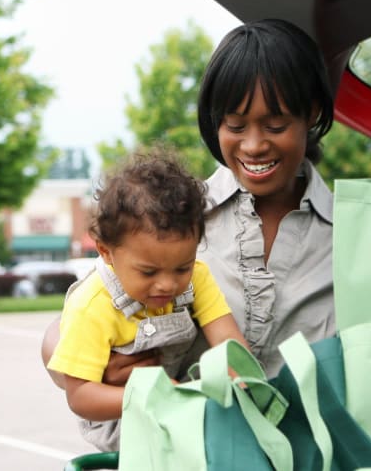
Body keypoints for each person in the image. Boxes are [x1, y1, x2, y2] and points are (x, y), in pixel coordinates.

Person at [42, 18, 371, 448]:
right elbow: (79, 322)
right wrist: (99, 366)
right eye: (235, 125)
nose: (253, 145)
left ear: (312, 115)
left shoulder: (358, 230)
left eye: (276, 124)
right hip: (189, 452)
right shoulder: (169, 222)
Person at [46, 147, 249, 449]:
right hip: (120, 419)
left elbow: (227, 340)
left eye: (182, 267)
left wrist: (242, 378)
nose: (166, 285)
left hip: (176, 403)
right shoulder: (93, 304)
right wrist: (154, 393)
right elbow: (80, 396)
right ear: (106, 252)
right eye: (148, 272)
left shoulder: (198, 278)